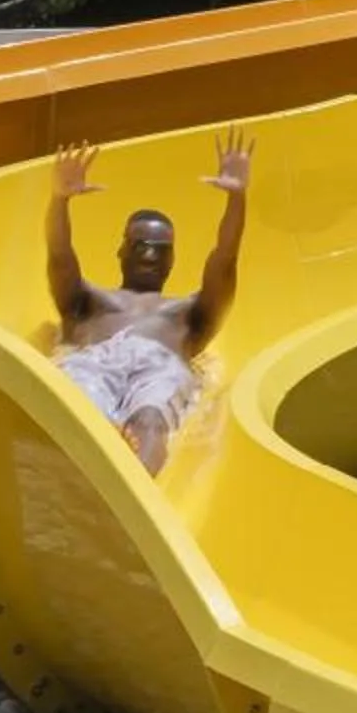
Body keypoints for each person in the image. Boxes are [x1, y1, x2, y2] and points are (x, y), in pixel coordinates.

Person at [45, 127, 252, 472]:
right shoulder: (86, 301)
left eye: (161, 249)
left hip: (160, 367)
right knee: (79, 408)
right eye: (141, 245)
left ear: (173, 259)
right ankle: (91, 469)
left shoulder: (189, 315)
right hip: (94, 362)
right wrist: (59, 199)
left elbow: (225, 261)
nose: (150, 255)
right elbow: (58, 254)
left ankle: (134, 494)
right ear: (121, 249)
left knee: (151, 420)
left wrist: (237, 199)